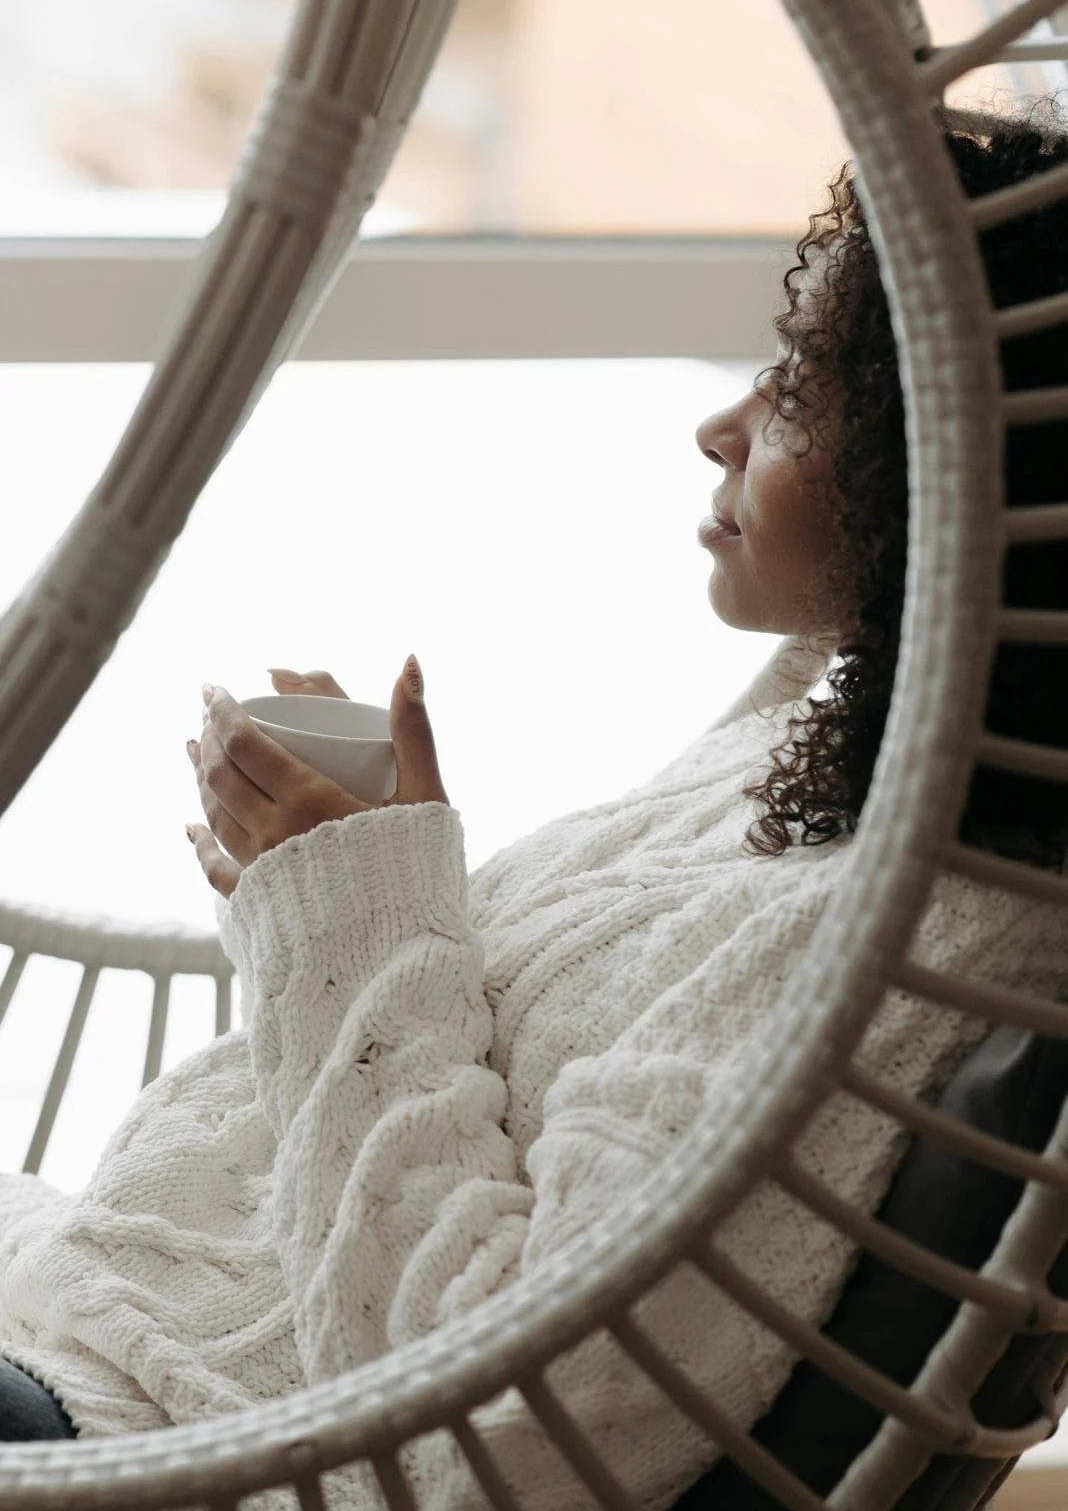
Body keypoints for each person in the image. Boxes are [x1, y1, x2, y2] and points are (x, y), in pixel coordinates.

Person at [0, 99, 1065, 1511]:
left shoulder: (880, 958)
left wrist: (352, 912)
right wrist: (347, 861)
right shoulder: (869, 748)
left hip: (135, 1447)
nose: (720, 426)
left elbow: (482, 1425)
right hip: (106, 1329)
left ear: (966, 471)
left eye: (807, 388)